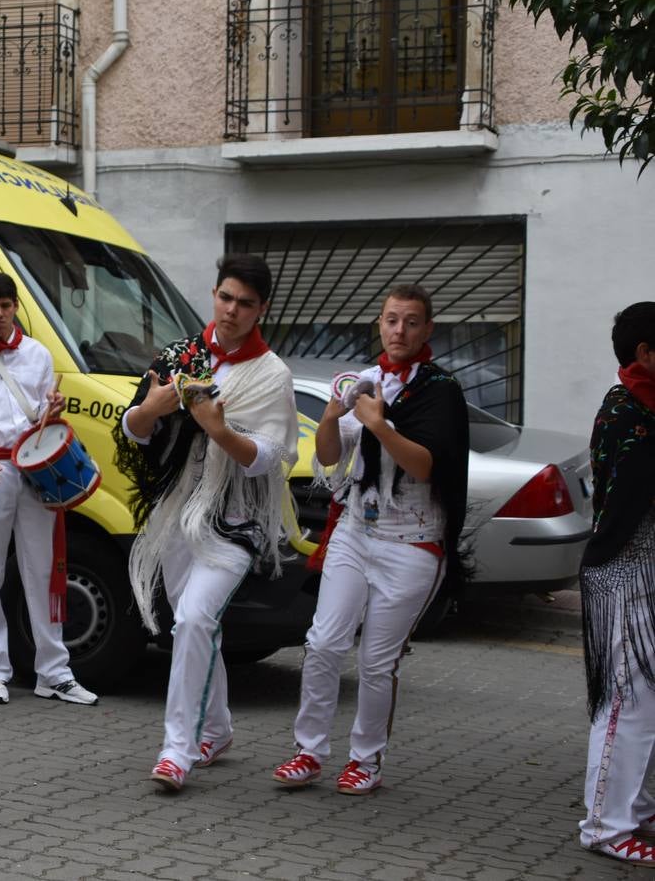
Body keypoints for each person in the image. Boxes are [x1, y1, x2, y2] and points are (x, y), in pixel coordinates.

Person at [271, 283, 469, 795]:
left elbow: (426, 466)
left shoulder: (439, 389)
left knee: (378, 661)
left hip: (412, 540)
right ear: (378, 325)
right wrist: (334, 418)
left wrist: (380, 425)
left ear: (427, 329)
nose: (398, 330)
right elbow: (331, 457)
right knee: (321, 643)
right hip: (356, 531)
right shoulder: (364, 380)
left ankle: (366, 760)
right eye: (390, 320)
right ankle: (308, 751)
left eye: (410, 321)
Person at [114, 254, 298, 792]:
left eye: (245, 303)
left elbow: (268, 456)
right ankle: (215, 728)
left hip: (234, 521)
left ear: (261, 309)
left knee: (194, 620)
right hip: (175, 515)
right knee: (194, 627)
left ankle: (178, 749)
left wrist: (217, 429)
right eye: (225, 297)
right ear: (214, 294)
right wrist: (153, 407)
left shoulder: (272, 375)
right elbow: (134, 430)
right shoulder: (181, 354)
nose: (232, 310)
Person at [0, 272, 96, 707]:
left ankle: (54, 672)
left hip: (34, 467)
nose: (1, 314)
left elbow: (40, 413)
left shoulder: (38, 354)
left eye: (7, 306)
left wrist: (54, 408)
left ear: (15, 307)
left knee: (43, 572)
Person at [576, 302, 655, 866]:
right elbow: (627, 501)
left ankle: (638, 808)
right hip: (626, 570)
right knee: (626, 701)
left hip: (644, 570)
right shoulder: (627, 410)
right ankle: (604, 825)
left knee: (647, 701)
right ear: (646, 354)